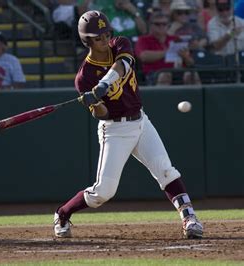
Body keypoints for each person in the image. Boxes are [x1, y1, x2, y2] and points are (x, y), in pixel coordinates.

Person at [53, 10, 203, 240]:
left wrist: (104, 84)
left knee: (166, 170)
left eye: (105, 34)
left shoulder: (119, 44)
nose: (104, 39)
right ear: (87, 40)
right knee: (103, 192)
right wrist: (92, 102)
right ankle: (62, 213)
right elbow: (100, 113)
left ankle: (189, 218)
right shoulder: (84, 78)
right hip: (115, 130)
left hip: (140, 121)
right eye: (97, 36)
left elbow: (123, 64)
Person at [135, 11, 198, 85]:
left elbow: (191, 63)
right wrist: (168, 51)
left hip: (178, 72)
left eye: (164, 24)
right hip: (155, 74)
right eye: (157, 24)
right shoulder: (143, 40)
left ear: (168, 25)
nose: (161, 26)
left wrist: (185, 57)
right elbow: (143, 56)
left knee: (192, 75)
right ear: (150, 25)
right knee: (165, 75)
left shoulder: (176, 39)